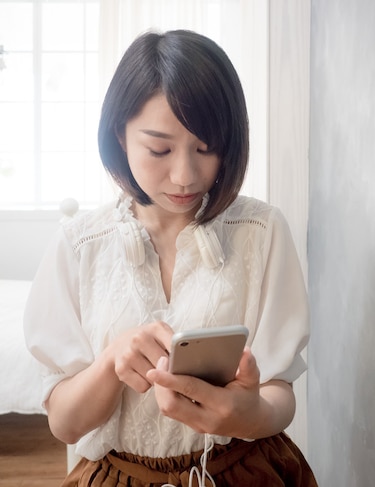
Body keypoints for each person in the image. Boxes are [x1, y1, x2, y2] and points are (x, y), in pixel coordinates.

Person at [23, 29, 317, 487]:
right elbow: (65, 424)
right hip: (118, 475)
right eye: (159, 148)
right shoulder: (79, 247)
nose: (185, 175)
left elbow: (281, 392)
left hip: (245, 471)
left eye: (206, 148)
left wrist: (252, 414)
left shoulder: (261, 232)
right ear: (120, 135)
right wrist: (111, 363)